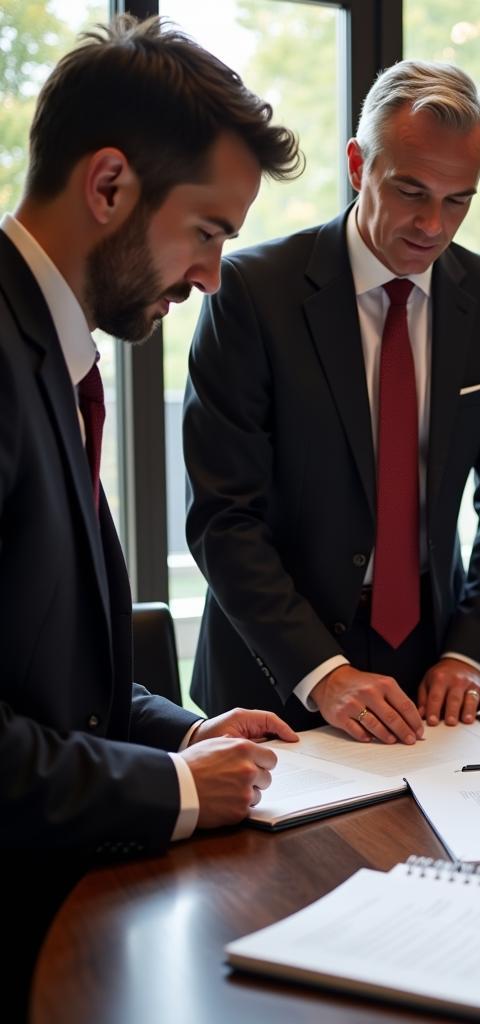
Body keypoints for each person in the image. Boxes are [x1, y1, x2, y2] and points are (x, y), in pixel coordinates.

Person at [0, 15, 303, 1013]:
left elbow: (46, 678)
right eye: (208, 231)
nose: (212, 274)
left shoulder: (47, 355)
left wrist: (186, 735)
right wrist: (173, 792)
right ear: (109, 186)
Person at [184, 60, 480, 743]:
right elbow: (223, 517)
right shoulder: (251, 293)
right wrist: (324, 671)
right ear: (358, 164)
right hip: (275, 677)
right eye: (411, 190)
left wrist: (467, 653)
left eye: (458, 199)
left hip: (429, 673)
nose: (433, 225)